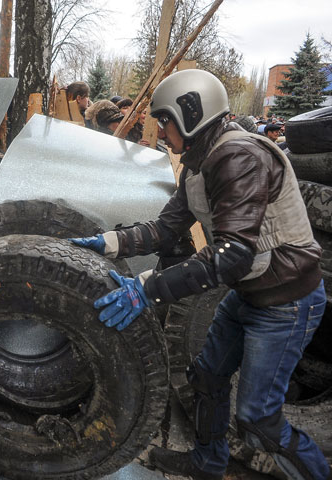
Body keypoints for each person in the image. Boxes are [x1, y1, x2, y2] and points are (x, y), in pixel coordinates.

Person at [70, 69, 329, 480]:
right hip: (252, 293)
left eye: (165, 119)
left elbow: (232, 256)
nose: (159, 127)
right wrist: (108, 242)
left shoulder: (239, 156)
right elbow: (163, 229)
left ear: (191, 114)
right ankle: (208, 465)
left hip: (286, 301)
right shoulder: (199, 164)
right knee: (206, 378)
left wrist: (147, 289)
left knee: (258, 420)